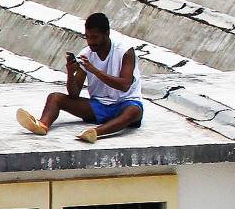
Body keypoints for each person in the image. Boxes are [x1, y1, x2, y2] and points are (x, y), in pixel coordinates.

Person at [16, 12, 143, 143]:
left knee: (133, 112)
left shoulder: (125, 51)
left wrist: (94, 71)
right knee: (55, 98)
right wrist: (70, 73)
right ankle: (42, 125)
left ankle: (95, 132)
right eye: (87, 37)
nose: (90, 42)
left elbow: (124, 85)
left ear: (107, 34)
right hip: (99, 106)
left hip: (125, 103)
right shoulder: (85, 55)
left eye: (94, 37)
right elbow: (74, 93)